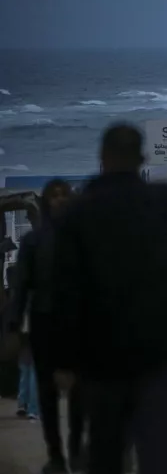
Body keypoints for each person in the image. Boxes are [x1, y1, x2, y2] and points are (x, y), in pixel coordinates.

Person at [50, 124, 167, 474]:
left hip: (100, 358)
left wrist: (63, 357)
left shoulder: (79, 213)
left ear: (102, 158)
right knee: (158, 456)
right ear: (142, 159)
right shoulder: (166, 201)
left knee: (106, 455)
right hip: (158, 351)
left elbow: (62, 289)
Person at [9, 179, 88, 473]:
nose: (59, 200)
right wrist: (14, 324)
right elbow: (21, 287)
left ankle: (77, 450)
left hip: (79, 324)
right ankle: (56, 456)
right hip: (44, 323)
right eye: (53, 195)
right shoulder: (33, 241)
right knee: (47, 393)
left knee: (80, 393)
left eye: (63, 195)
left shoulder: (82, 238)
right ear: (46, 202)